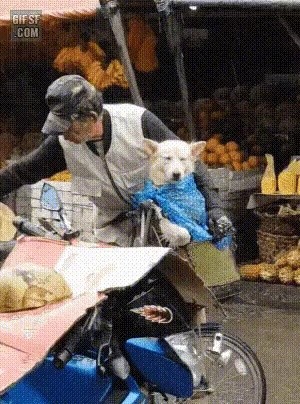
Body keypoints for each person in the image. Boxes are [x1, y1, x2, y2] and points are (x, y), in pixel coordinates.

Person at [0, 74, 234, 248]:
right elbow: (20, 172)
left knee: (176, 302)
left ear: (91, 118)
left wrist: (215, 208)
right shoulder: (62, 144)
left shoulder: (137, 121)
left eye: (66, 126)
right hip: (113, 234)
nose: (62, 133)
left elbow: (189, 161)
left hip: (162, 230)